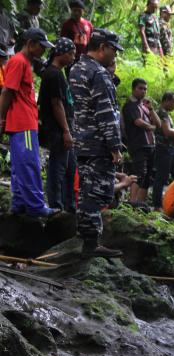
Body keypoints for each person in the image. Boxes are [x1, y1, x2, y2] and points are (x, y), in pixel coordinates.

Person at [69, 28, 124, 257]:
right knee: (97, 192)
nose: (115, 56)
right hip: (98, 143)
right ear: (102, 48)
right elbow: (105, 113)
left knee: (86, 191)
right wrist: (115, 146)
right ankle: (91, 245)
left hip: (81, 140)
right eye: (114, 50)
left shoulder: (76, 68)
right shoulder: (99, 74)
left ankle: (87, 239)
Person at [0, 28, 55, 217]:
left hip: (24, 121)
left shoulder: (24, 63)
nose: (43, 51)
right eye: (41, 47)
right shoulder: (18, 61)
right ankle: (36, 205)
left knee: (19, 164)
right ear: (30, 44)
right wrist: (1, 118)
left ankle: (20, 203)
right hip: (22, 122)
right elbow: (7, 91)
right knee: (29, 163)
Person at [39, 37, 76, 212]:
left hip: (64, 128)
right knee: (58, 168)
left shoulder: (58, 73)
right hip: (58, 130)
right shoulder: (52, 74)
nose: (73, 57)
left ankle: (68, 204)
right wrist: (66, 131)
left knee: (69, 168)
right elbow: (56, 104)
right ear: (60, 54)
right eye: (70, 54)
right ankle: (55, 204)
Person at [122, 78, 159, 204]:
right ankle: (132, 202)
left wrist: (151, 109)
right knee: (139, 173)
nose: (143, 91)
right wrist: (151, 127)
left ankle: (140, 204)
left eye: (145, 89)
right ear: (133, 89)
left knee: (148, 175)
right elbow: (138, 122)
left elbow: (158, 124)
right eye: (140, 88)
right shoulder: (129, 106)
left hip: (150, 145)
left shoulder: (144, 106)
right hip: (138, 144)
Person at [152, 90, 174, 210]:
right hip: (163, 148)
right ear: (167, 101)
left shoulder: (164, 113)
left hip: (169, 150)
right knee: (161, 177)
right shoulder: (162, 113)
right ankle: (157, 205)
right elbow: (167, 131)